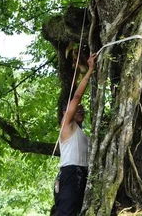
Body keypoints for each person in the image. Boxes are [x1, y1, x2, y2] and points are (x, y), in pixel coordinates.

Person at [53, 54, 96, 216]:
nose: (80, 110)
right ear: (66, 112)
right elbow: (77, 96)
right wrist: (90, 69)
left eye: (82, 109)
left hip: (80, 176)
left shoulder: (81, 134)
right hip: (70, 175)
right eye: (76, 108)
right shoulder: (67, 125)